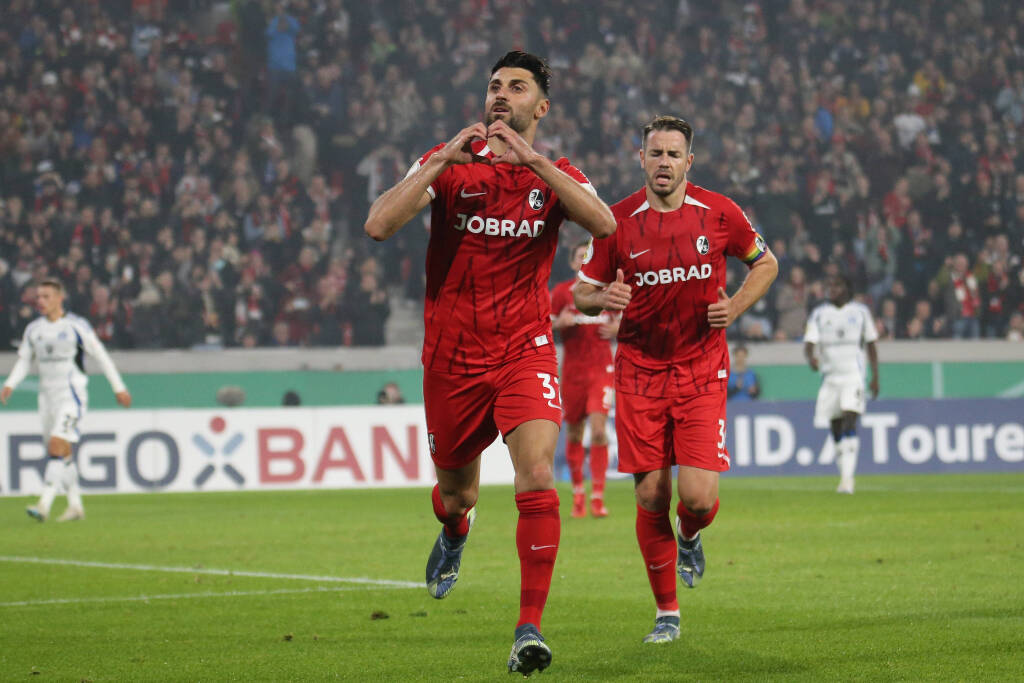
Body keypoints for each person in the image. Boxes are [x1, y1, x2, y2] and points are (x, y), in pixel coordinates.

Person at [363, 50, 615, 675]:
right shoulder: (449, 165)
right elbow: (377, 225)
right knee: (458, 493)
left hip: (523, 350)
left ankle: (528, 628)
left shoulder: (555, 173)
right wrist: (443, 157)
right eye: (495, 85)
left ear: (541, 106)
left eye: (517, 87)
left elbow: (605, 223)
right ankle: (455, 532)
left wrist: (532, 162)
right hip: (450, 359)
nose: (502, 95)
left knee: (535, 476)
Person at [573, 115, 778, 644]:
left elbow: (767, 264)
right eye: (655, 153)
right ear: (639, 159)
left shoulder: (720, 213)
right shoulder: (615, 222)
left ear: (689, 161)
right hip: (639, 370)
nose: (663, 163)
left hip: (701, 369)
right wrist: (603, 298)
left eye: (673, 154)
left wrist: (734, 306)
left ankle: (690, 534)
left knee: (699, 497)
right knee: (650, 495)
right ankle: (668, 613)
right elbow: (580, 293)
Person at [1, 278, 132, 522]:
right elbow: (24, 360)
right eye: (38, 297)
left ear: (60, 298)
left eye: (46, 297)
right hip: (46, 398)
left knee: (56, 446)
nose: (40, 301)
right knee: (63, 452)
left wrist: (119, 387)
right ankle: (75, 506)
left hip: (71, 395)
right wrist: (10, 384)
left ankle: (44, 503)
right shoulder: (34, 329)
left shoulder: (76, 326)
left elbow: (101, 356)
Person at [550, 241, 618, 518]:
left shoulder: (608, 291)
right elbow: (542, 324)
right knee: (575, 432)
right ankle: (578, 495)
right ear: (572, 262)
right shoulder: (561, 293)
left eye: (588, 256)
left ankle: (598, 498)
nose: (584, 260)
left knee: (599, 431)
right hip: (573, 372)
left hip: (602, 369)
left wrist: (618, 327)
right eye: (580, 256)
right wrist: (557, 324)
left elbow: (632, 319)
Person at [803, 273, 880, 494]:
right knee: (836, 426)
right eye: (830, 286)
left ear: (846, 287)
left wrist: (875, 376)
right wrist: (811, 357)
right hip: (830, 379)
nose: (832, 289)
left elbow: (872, 345)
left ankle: (848, 479)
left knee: (849, 420)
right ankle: (844, 476)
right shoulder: (819, 314)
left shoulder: (861, 313)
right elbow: (809, 342)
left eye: (836, 285)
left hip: (853, 376)